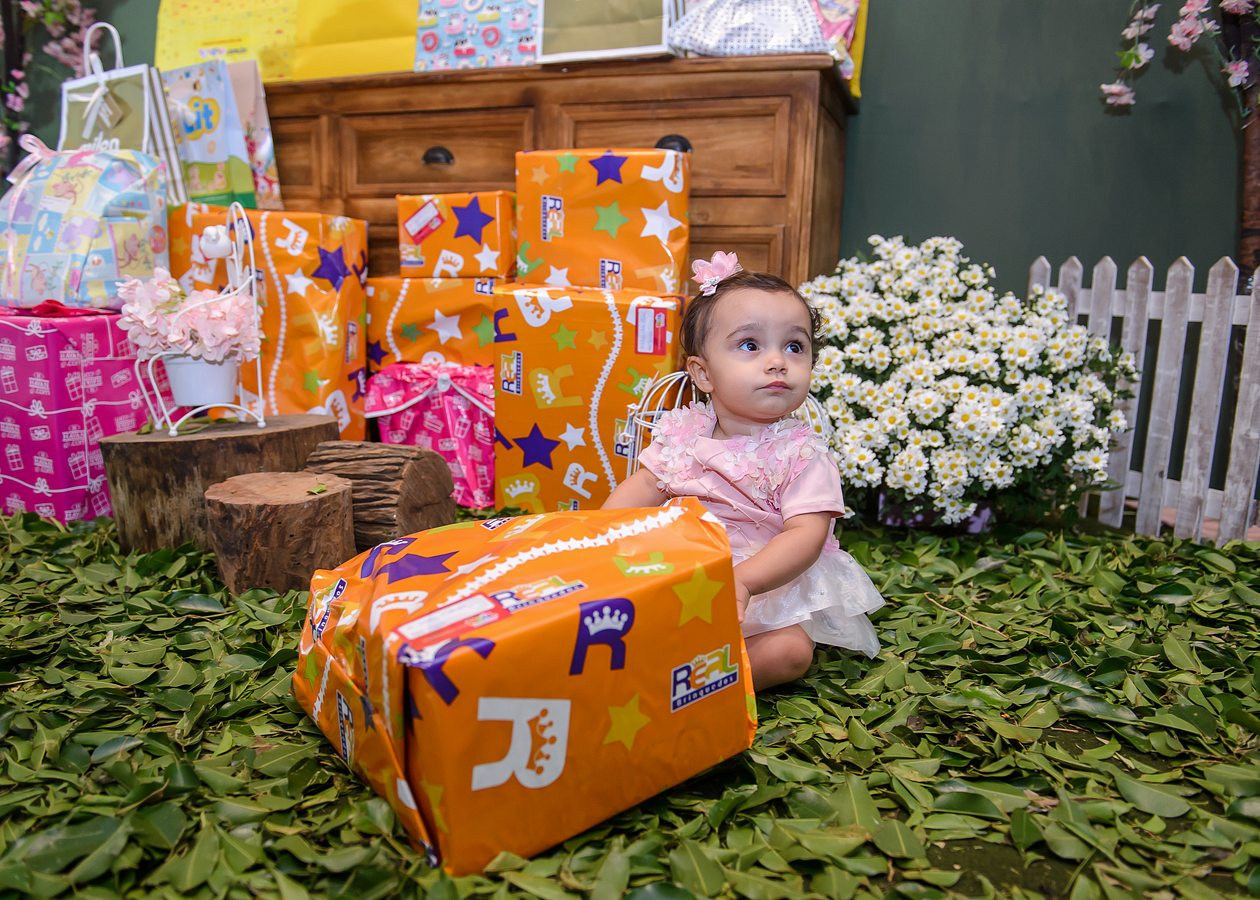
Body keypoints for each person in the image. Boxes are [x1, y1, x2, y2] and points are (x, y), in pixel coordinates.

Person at [603, 251, 884, 691]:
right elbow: (642, 487)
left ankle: (686, 682)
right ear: (703, 374)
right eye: (751, 345)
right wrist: (600, 536)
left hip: (764, 581)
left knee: (790, 652)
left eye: (794, 346)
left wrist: (743, 582)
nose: (777, 361)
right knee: (620, 601)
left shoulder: (801, 452)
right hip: (682, 565)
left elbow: (806, 535)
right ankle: (655, 655)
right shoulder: (684, 434)